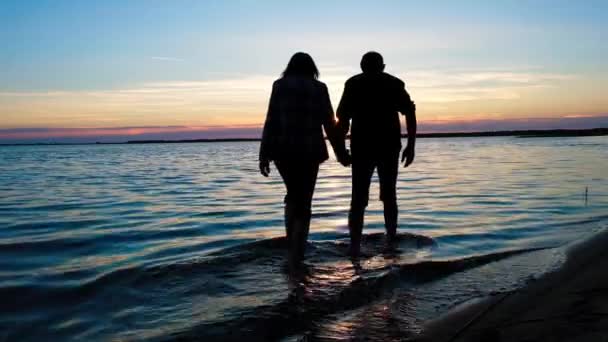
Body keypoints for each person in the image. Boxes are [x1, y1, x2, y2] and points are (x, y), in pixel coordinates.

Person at [259, 52, 350, 268]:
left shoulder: (279, 85)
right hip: (309, 150)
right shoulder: (319, 88)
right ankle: (298, 249)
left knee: (293, 195)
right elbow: (329, 122)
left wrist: (263, 153)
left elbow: (271, 119)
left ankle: (292, 243)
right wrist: (341, 153)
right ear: (312, 68)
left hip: (282, 150)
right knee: (304, 200)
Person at [336, 51, 417, 257]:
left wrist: (340, 150)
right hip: (386, 146)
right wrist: (411, 144)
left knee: (358, 199)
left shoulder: (354, 83)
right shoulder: (393, 83)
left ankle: (355, 246)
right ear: (382, 66)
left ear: (362, 66)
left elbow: (343, 120)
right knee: (388, 196)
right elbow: (409, 112)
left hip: (365, 147)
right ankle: (390, 241)